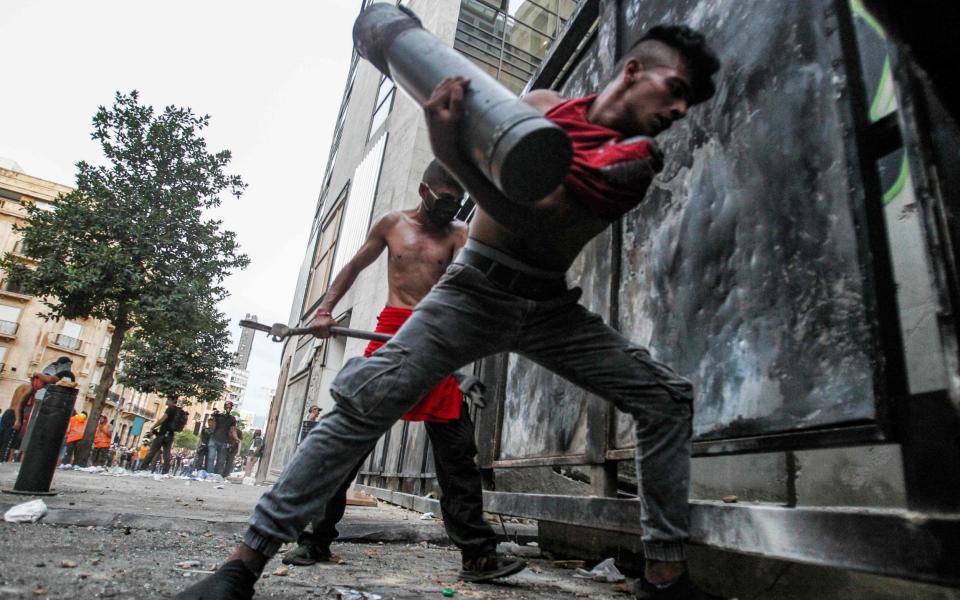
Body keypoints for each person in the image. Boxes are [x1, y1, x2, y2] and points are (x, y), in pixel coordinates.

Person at [178, 24, 721, 600]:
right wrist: (446, 125)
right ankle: (241, 566)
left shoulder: (636, 161)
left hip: (547, 307)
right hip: (472, 292)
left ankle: (664, 576)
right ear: (634, 71)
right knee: (363, 399)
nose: (681, 108)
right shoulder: (537, 108)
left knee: (666, 399)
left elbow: (531, 218)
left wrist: (449, 151)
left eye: (688, 102)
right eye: (677, 87)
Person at [278, 159, 522, 583]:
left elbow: (473, 286)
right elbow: (353, 267)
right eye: (446, 200)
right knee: (345, 444)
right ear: (425, 191)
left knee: (458, 456)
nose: (452, 208)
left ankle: (478, 555)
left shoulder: (461, 235)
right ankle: (315, 540)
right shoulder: (393, 225)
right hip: (391, 337)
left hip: (437, 339)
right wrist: (325, 309)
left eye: (459, 202)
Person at [140, 398, 180, 474]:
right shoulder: (177, 410)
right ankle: (165, 471)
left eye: (168, 399)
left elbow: (162, 420)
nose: (166, 401)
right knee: (167, 454)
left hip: (162, 434)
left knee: (152, 451)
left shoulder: (170, 409)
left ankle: (142, 468)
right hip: (170, 435)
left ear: (171, 400)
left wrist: (153, 427)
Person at [208, 401, 239, 476]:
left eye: (230, 407)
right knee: (211, 457)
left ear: (231, 408)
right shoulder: (217, 416)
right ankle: (209, 474)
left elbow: (232, 430)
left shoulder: (232, 419)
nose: (228, 408)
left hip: (224, 441)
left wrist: (236, 438)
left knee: (221, 461)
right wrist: (213, 417)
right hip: (214, 439)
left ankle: (217, 475)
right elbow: (211, 426)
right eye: (227, 407)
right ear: (224, 407)